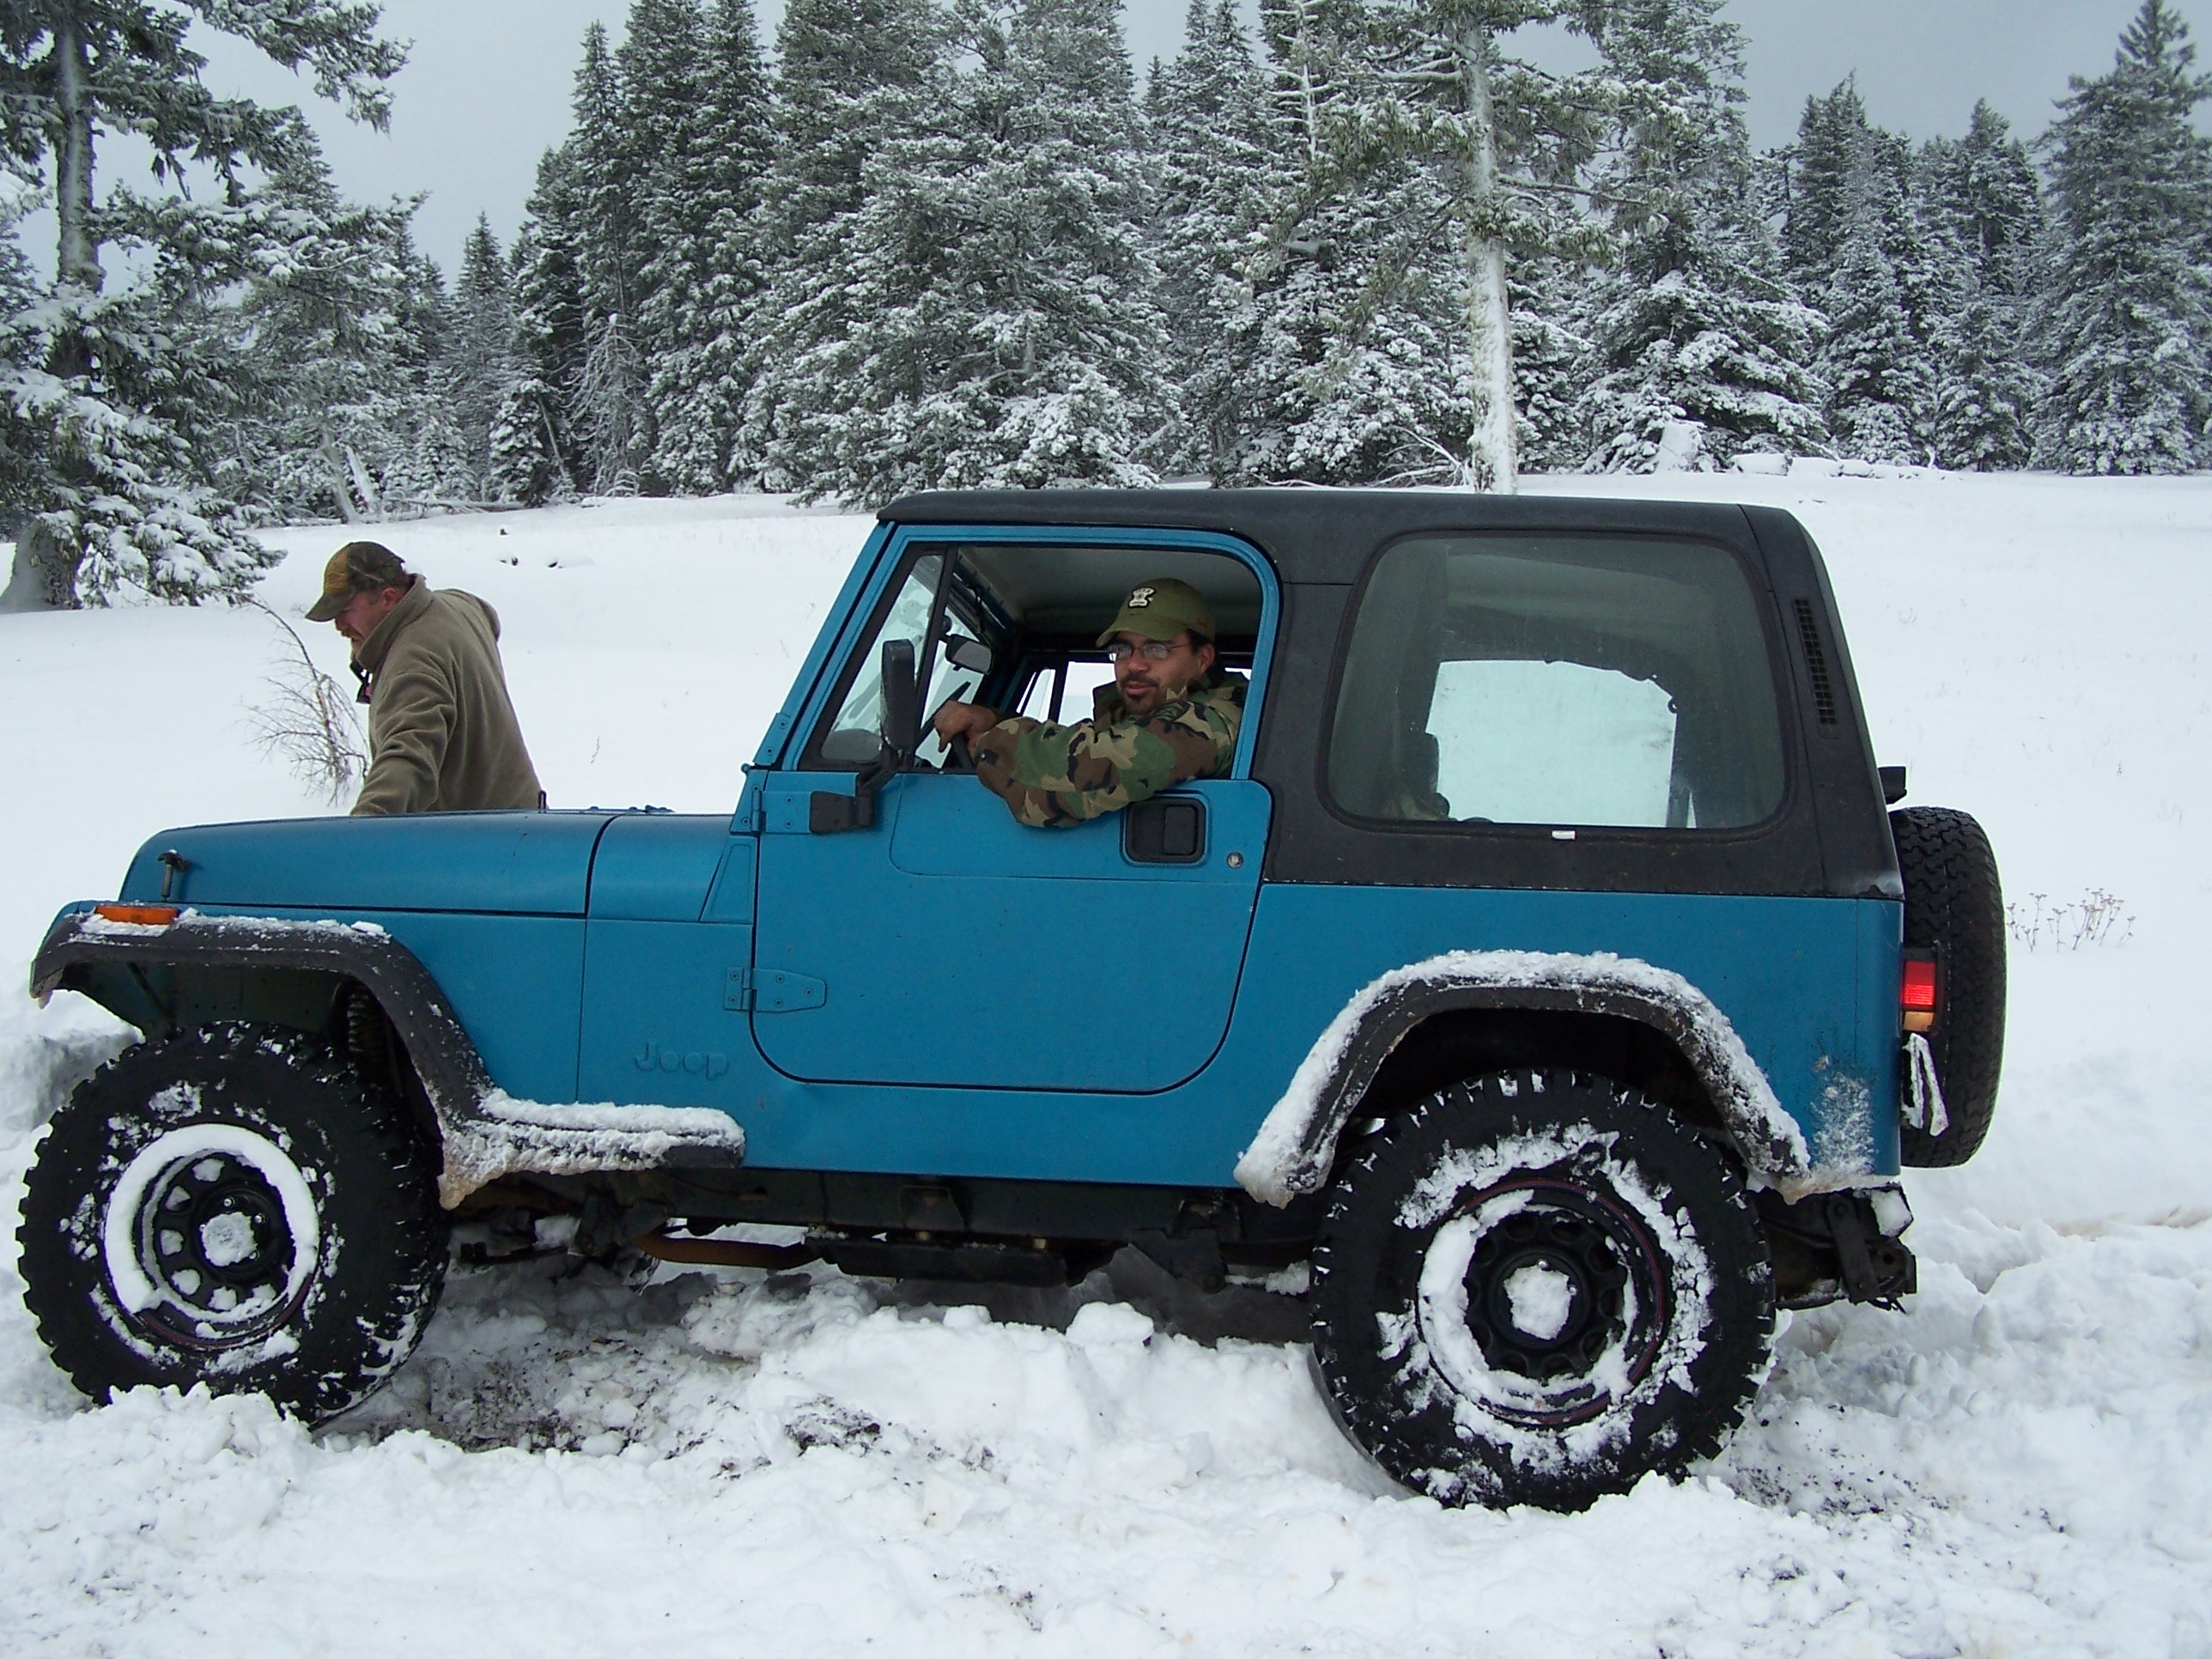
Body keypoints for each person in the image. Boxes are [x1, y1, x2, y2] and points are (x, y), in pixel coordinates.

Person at [932, 577, 1245, 828]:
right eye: (1123, 650)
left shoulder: (1215, 724)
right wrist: (992, 720)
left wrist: (988, 743)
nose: (1134, 665)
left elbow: (1087, 766)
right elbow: (1093, 740)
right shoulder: (1136, 716)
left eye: (1157, 650)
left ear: (1202, 660)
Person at [305, 540, 545, 817]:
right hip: (524, 816)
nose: (338, 626)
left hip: (481, 840)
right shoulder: (456, 605)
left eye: (345, 611)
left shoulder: (412, 661)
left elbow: (408, 754)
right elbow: (489, 616)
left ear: (388, 598)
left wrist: (364, 829)